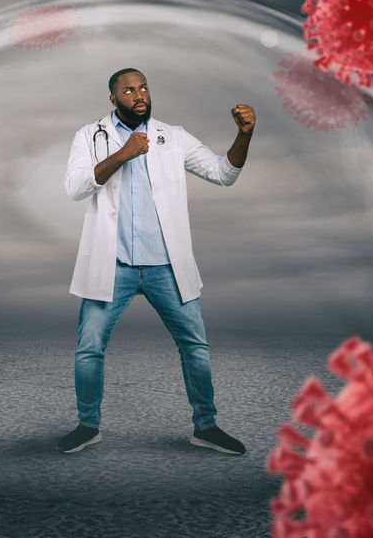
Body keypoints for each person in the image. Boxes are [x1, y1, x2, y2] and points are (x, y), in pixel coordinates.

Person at [57, 68, 254, 455]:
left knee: (195, 345)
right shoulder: (89, 135)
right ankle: (87, 425)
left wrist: (243, 136)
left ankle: (205, 426)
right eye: (128, 90)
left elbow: (223, 173)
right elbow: (75, 187)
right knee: (89, 348)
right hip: (112, 265)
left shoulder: (173, 136)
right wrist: (123, 153)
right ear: (114, 99)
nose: (139, 94)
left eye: (143, 87)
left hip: (166, 266)